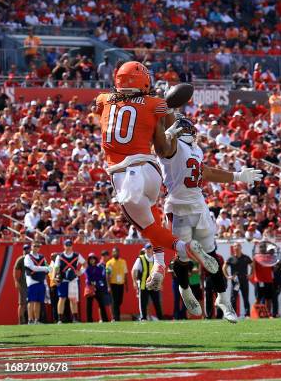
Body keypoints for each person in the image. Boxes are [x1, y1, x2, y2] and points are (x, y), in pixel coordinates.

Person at [96, 61, 213, 293]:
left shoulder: (103, 98)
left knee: (147, 226)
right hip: (150, 171)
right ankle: (159, 266)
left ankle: (182, 248)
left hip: (124, 172)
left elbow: (103, 108)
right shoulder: (156, 103)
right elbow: (164, 147)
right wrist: (166, 111)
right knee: (151, 216)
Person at [157, 115, 260, 322]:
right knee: (183, 259)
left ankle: (222, 299)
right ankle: (185, 290)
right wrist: (169, 132)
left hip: (199, 206)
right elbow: (163, 149)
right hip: (178, 207)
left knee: (214, 257)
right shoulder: (171, 144)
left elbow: (206, 172)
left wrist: (237, 176)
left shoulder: (195, 150)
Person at [54, 240, 86, 323]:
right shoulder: (59, 256)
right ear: (64, 246)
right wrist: (55, 277)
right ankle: (60, 319)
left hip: (73, 280)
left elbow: (85, 264)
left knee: (73, 299)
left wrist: (81, 272)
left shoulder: (77, 255)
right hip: (63, 279)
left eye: (70, 245)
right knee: (62, 298)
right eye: (66, 245)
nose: (68, 247)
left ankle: (75, 318)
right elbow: (56, 267)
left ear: (72, 246)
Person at [132, 244, 163, 321]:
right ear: (145, 250)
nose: (149, 250)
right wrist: (134, 282)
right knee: (143, 302)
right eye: (148, 249)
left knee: (157, 301)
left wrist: (160, 282)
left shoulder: (156, 258)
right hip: (143, 284)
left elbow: (160, 271)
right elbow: (134, 270)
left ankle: (160, 318)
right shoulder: (140, 259)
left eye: (150, 248)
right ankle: (143, 317)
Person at [24, 242, 50, 324]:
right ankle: (30, 320)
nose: (36, 247)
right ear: (31, 247)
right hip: (32, 281)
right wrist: (44, 268)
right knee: (31, 301)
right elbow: (32, 268)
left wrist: (46, 268)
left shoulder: (42, 257)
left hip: (41, 280)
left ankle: (37, 320)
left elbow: (48, 267)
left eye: (38, 246)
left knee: (38, 301)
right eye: (35, 246)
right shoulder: (28, 257)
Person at [224, 243, 253, 317]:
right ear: (233, 248)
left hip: (244, 280)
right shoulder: (231, 258)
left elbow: (252, 266)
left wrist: (251, 274)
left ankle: (247, 315)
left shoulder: (246, 258)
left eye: (238, 246)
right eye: (235, 246)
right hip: (236, 282)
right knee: (233, 298)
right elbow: (224, 267)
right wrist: (228, 276)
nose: (236, 247)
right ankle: (233, 314)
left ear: (241, 247)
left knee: (245, 298)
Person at [85, 253, 111, 322]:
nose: (92, 260)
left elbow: (100, 277)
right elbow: (88, 278)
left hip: (98, 288)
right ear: (89, 260)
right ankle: (89, 320)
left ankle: (105, 319)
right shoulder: (87, 268)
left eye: (93, 259)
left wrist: (98, 284)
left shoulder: (98, 268)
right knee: (89, 305)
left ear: (95, 260)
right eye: (90, 259)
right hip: (90, 288)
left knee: (101, 304)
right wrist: (94, 283)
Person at [105, 247, 128, 321]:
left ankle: (116, 315)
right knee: (115, 301)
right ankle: (116, 317)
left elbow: (125, 273)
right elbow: (107, 275)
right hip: (113, 284)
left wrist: (126, 284)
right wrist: (108, 286)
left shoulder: (123, 261)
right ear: (112, 253)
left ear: (119, 252)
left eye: (116, 252)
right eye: (114, 252)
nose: (115, 253)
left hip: (121, 284)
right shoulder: (109, 263)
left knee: (120, 301)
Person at [13, 244, 30, 324]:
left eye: (28, 249)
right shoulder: (21, 259)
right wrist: (16, 282)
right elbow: (15, 271)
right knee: (22, 303)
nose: (26, 250)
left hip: (32, 283)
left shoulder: (32, 258)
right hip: (23, 284)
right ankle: (21, 321)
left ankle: (31, 320)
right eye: (25, 249)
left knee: (32, 303)